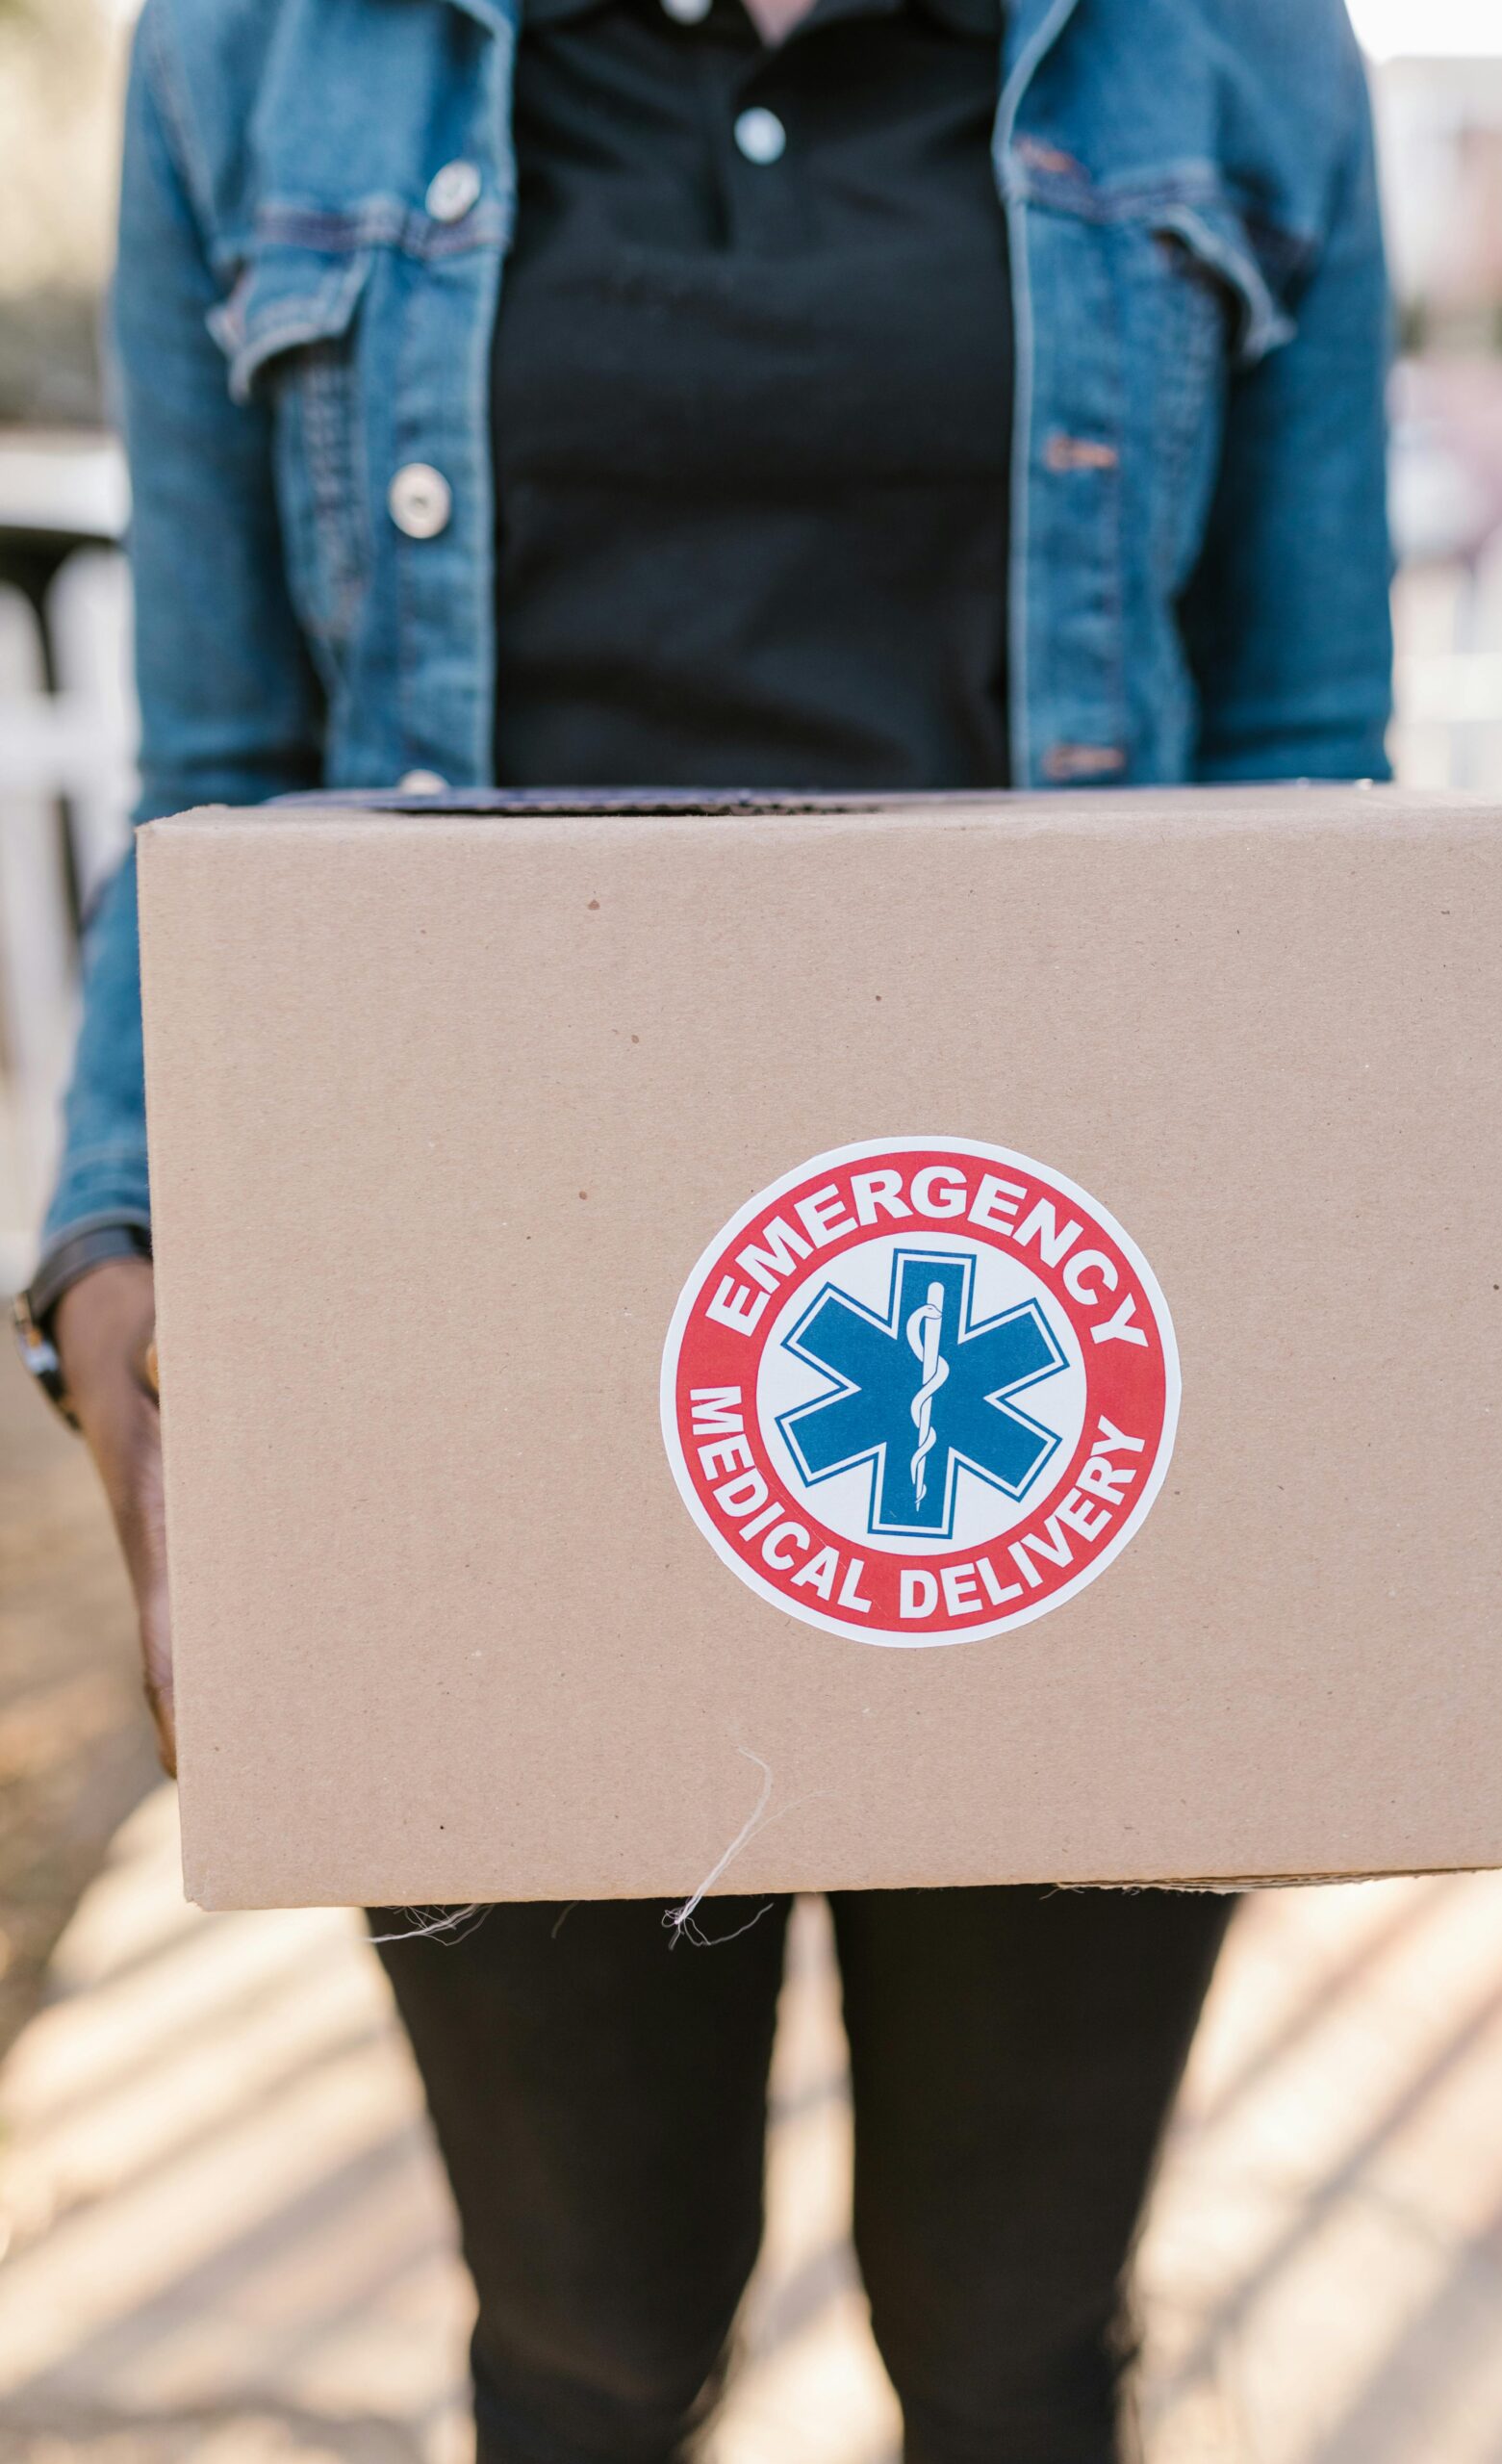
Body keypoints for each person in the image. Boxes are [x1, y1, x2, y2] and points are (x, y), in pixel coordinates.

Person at [12, 0, 1393, 2456]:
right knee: (591, 2330)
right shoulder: (254, 57)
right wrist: (120, 1229)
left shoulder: (1234, 59)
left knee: (1007, 2330)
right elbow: (226, 771)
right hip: (483, 1376)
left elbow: (1301, 771)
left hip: (1054, 1365)